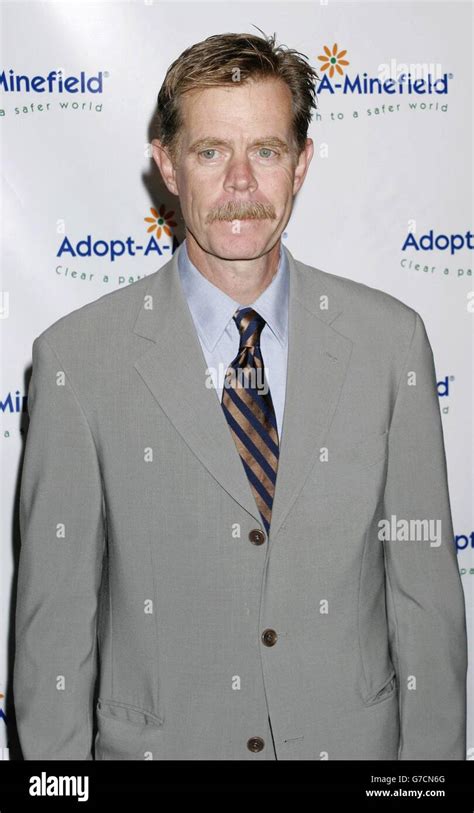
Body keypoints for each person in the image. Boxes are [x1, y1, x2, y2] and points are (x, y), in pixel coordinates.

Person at [14, 31, 467, 760]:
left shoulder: (391, 346)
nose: (240, 185)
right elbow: (53, 633)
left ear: (302, 163)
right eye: (210, 151)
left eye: (266, 150)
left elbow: (426, 603)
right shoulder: (77, 363)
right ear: (166, 163)